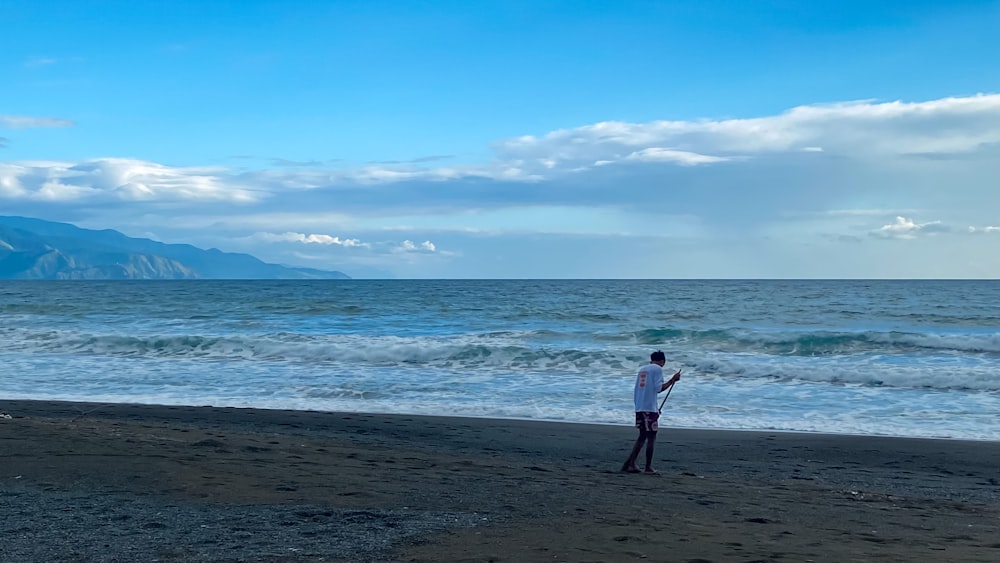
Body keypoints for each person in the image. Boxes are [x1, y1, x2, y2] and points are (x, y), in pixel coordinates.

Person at [621, 350, 681, 474]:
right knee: (651, 437)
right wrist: (672, 380)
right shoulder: (657, 369)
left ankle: (631, 463)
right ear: (662, 361)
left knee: (642, 436)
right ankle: (648, 467)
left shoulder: (643, 369)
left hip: (640, 406)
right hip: (649, 408)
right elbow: (659, 388)